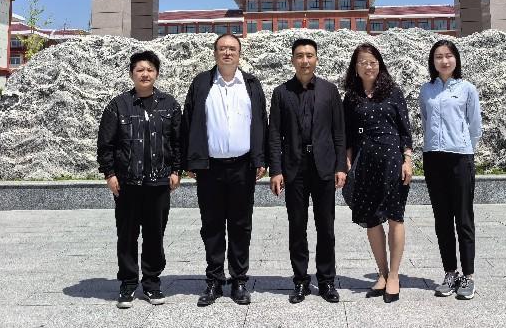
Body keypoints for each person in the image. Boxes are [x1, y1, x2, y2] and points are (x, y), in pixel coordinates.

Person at [181, 33, 268, 307]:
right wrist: (190, 160)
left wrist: (261, 158)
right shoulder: (201, 83)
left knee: (241, 224)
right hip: (211, 168)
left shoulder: (251, 84)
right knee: (212, 225)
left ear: (239, 54)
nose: (227, 53)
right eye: (222, 49)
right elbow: (188, 121)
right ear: (215, 53)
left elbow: (261, 122)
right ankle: (214, 281)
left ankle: (239, 280)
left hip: (243, 166)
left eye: (232, 49)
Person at [96, 50, 182, 309]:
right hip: (127, 183)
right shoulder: (118, 105)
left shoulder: (169, 105)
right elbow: (105, 144)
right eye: (140, 70)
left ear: (157, 73)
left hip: (159, 183)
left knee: (155, 235)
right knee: (127, 235)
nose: (145, 74)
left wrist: (176, 170)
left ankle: (152, 283)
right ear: (132, 74)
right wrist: (110, 174)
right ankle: (128, 283)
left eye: (150, 70)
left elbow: (178, 142)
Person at [268, 38, 347, 304]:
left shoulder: (329, 91)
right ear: (293, 60)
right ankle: (300, 281)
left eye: (309, 55)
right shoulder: (281, 93)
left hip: (323, 166)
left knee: (326, 226)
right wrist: (276, 170)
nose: (305, 60)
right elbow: (274, 134)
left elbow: (339, 132)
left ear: (316, 59)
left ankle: (326, 281)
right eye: (300, 56)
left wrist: (340, 166)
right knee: (297, 226)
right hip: (294, 167)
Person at [342, 43, 413, 304]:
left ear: (379, 64)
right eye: (363, 62)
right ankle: (382, 273)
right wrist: (347, 162)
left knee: (395, 216)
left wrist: (408, 159)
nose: (368, 66)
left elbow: (405, 130)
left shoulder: (393, 92)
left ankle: (394, 275)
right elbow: (348, 134)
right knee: (371, 219)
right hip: (365, 162)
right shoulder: (351, 97)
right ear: (355, 67)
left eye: (372, 62)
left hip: (392, 161)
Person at [419, 39, 482, 301]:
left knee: (463, 218)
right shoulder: (426, 90)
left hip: (460, 158)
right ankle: (450, 272)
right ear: (432, 62)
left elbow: (475, 125)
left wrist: (465, 148)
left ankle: (468, 275)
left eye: (448, 56)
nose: (444, 61)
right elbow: (425, 121)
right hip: (433, 158)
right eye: (438, 57)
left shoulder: (467, 89)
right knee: (442, 219)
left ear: (456, 59)